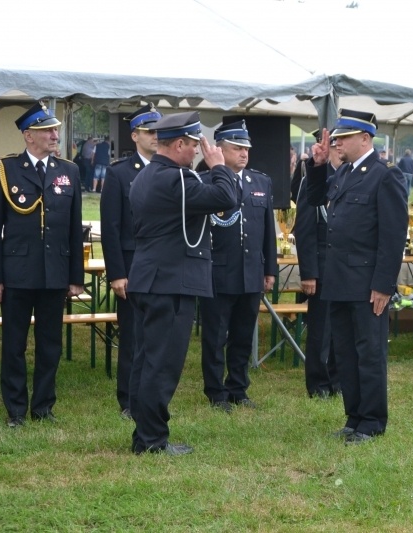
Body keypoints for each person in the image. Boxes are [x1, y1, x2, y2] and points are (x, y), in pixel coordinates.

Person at [126, 111, 238, 455]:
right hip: (170, 282)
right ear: (178, 145)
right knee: (162, 364)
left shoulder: (149, 175)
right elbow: (226, 198)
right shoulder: (174, 179)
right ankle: (152, 440)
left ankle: (144, 434)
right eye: (194, 146)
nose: (199, 153)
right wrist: (220, 165)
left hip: (152, 278)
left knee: (147, 360)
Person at [306, 109, 408, 445]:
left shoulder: (384, 176)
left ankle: (373, 420)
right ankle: (354, 416)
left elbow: (393, 237)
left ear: (365, 138)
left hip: (366, 284)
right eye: (336, 138)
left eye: (343, 137)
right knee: (345, 353)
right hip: (337, 280)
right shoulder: (344, 173)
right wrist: (318, 166)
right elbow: (313, 198)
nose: (337, 143)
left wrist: (383, 285)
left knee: (369, 352)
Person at [0, 102, 84, 427]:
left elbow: (74, 229)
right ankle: (15, 410)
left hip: (54, 273)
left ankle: (43, 406)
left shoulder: (68, 171)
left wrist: (75, 278)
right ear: (29, 136)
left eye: (55, 130)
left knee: (50, 344)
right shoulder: (6, 169)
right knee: (14, 345)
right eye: (48, 131)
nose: (55, 135)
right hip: (17, 273)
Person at [197, 119, 277, 412]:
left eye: (246, 148)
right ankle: (215, 391)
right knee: (216, 335)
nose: (244, 154)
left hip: (251, 270)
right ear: (219, 149)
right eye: (236, 148)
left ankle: (238, 388)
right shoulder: (205, 181)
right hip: (218, 269)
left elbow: (268, 230)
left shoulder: (260, 182)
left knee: (243, 334)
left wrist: (269, 270)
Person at [99, 104, 161, 419]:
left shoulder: (170, 169)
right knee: (133, 335)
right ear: (135, 135)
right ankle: (128, 399)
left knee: (158, 337)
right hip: (132, 265)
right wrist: (117, 273)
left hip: (162, 267)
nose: (155, 137)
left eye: (158, 131)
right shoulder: (120, 172)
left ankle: (152, 395)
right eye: (149, 131)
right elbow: (110, 226)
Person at [293, 134, 340, 399]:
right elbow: (306, 229)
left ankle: (337, 380)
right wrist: (308, 272)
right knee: (320, 330)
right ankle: (319, 383)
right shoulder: (312, 179)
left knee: (341, 328)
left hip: (344, 268)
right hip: (321, 267)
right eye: (336, 143)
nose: (339, 148)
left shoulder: (349, 177)